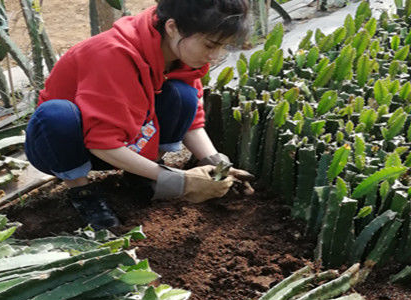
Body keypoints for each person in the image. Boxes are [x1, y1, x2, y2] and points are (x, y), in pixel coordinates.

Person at [24, 0, 252, 230]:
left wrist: (217, 162)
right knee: (57, 115)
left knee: (183, 96)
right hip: (66, 146)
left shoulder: (176, 50)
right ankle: (83, 193)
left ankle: (142, 176)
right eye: (210, 45)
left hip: (123, 139)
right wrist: (176, 181)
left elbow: (192, 120)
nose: (215, 56)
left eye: (223, 46)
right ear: (172, 27)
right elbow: (100, 142)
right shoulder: (113, 55)